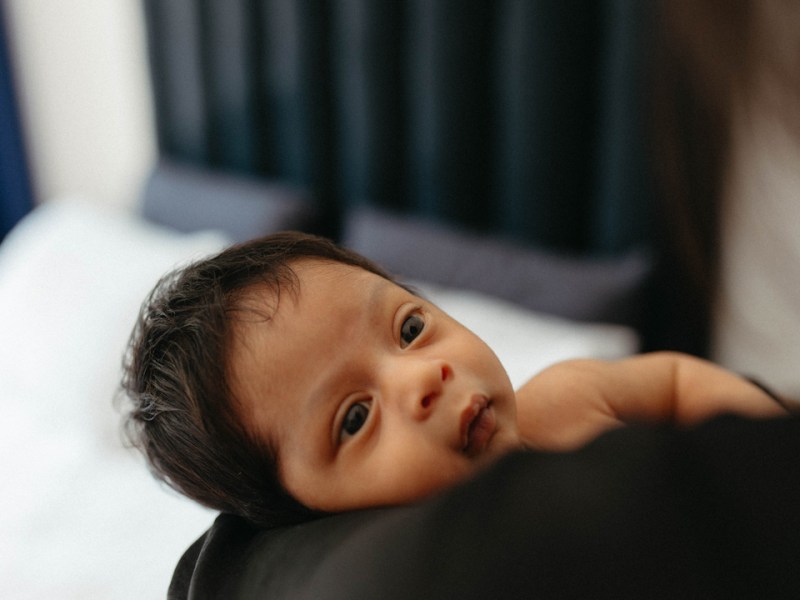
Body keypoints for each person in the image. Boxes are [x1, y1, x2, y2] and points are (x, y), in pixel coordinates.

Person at [121, 232, 787, 528]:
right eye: (354, 419)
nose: (423, 380)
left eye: (409, 329)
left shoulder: (566, 398)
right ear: (300, 515)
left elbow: (671, 381)